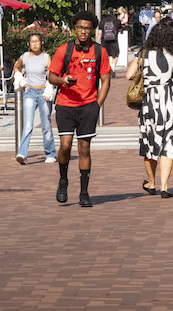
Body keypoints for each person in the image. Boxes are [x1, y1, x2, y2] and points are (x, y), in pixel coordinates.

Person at [47, 11, 112, 208]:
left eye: (87, 28)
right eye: (80, 28)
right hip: (65, 105)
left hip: (88, 106)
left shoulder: (99, 52)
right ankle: (63, 180)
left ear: (93, 30)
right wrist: (62, 80)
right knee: (65, 146)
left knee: (84, 149)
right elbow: (51, 76)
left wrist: (97, 104)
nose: (83, 32)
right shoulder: (64, 50)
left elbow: (106, 80)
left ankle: (84, 192)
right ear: (74, 28)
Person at [129, 23, 173, 198]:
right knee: (169, 142)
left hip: (150, 101)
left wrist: (145, 74)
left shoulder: (143, 53)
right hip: (169, 100)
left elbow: (129, 75)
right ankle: (164, 186)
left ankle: (151, 183)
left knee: (149, 142)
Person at [14, 33, 56, 165]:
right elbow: (16, 67)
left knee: (46, 125)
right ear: (29, 44)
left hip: (43, 92)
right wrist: (20, 79)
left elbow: (51, 74)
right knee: (27, 125)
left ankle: (50, 153)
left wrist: (49, 89)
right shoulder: (25, 57)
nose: (35, 44)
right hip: (30, 92)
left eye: (37, 41)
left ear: (41, 43)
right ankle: (22, 154)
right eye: (32, 42)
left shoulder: (46, 57)